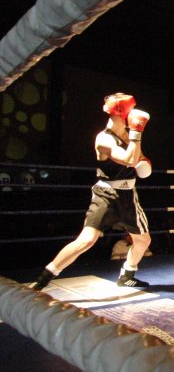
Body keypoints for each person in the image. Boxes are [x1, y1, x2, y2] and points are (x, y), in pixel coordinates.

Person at [30, 93, 152, 290]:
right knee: (86, 240)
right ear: (122, 112)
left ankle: (127, 275)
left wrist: (144, 161)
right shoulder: (104, 139)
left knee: (143, 240)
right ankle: (42, 280)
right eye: (130, 110)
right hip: (106, 194)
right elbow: (129, 160)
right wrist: (137, 133)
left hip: (128, 194)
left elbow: (139, 160)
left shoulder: (127, 134)